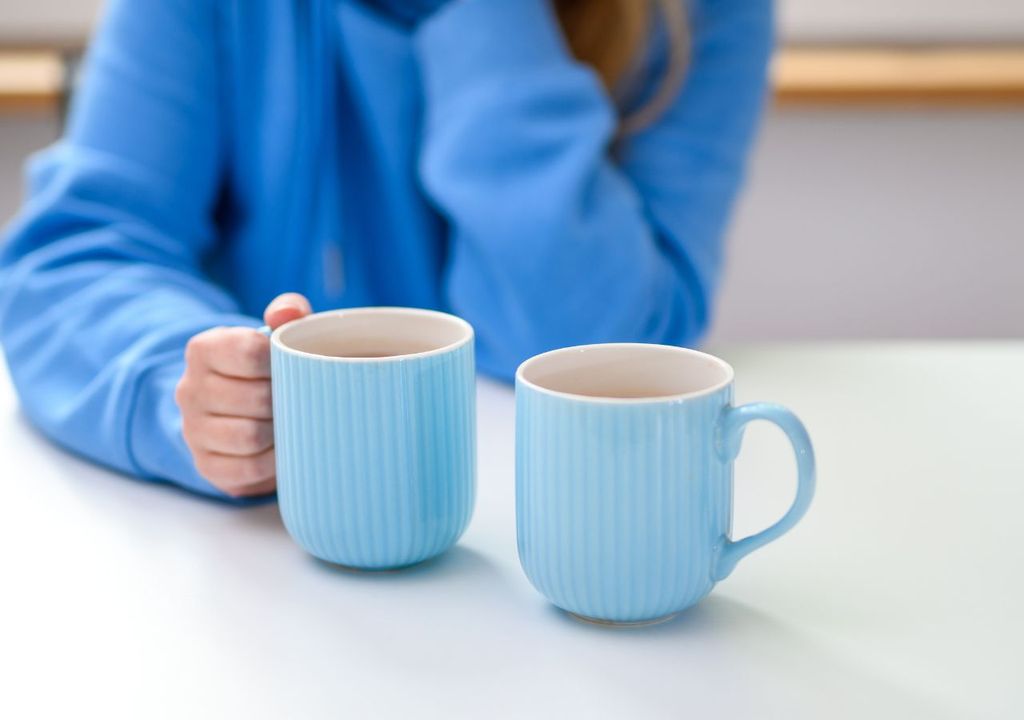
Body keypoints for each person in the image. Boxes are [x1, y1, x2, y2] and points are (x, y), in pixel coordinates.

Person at [0, 0, 772, 500]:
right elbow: (71, 260)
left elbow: (605, 350)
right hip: (256, 575)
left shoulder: (692, 19)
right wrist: (188, 388)